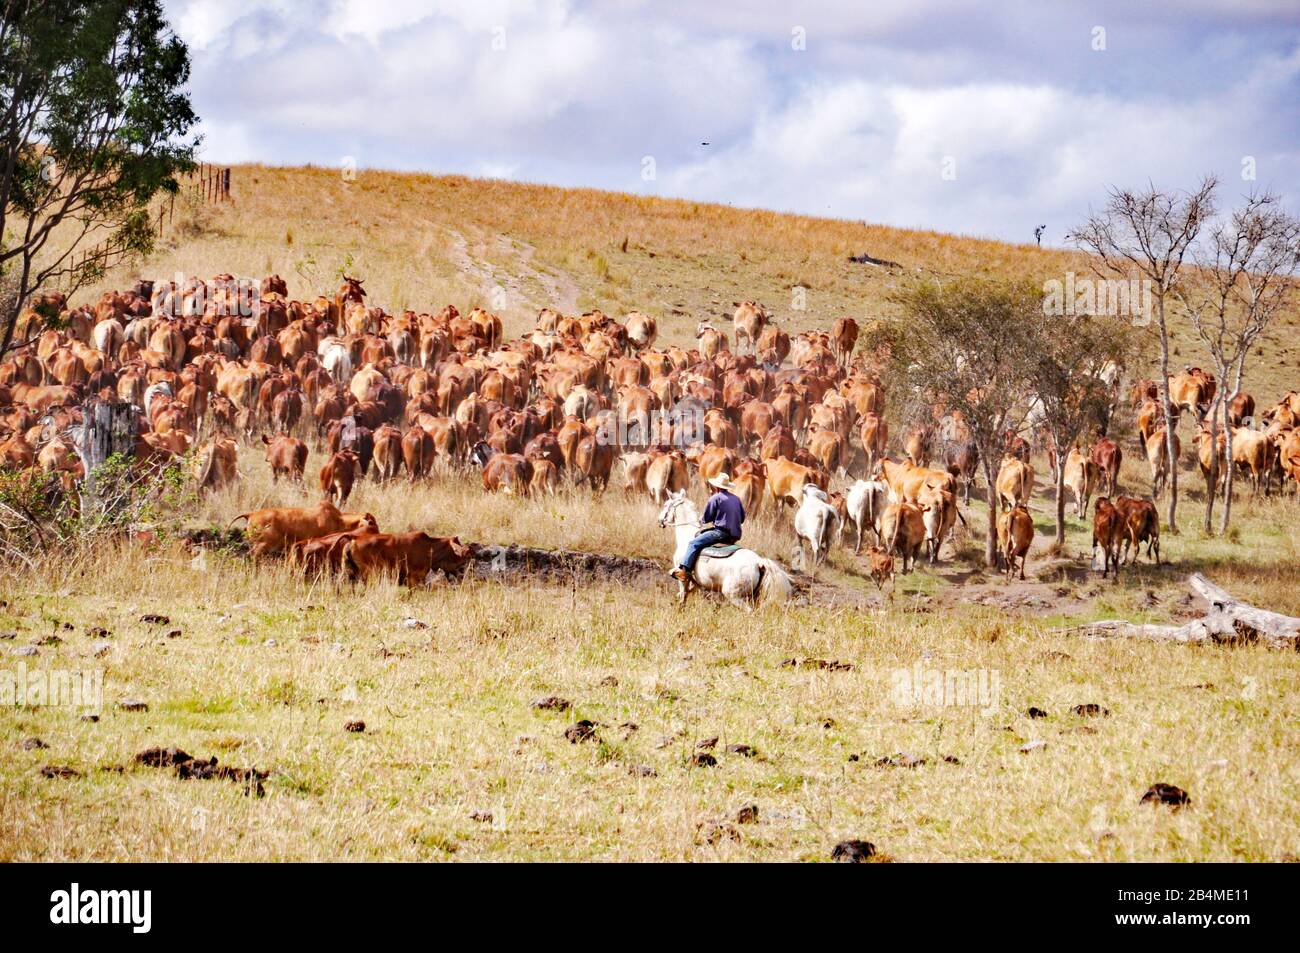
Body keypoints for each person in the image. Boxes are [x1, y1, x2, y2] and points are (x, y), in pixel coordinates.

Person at [671, 473, 745, 581]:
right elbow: (742, 519)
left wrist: (701, 520)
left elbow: (707, 517)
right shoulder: (736, 499)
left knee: (693, 543)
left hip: (721, 533)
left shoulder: (715, 498)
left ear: (717, 487)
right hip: (736, 535)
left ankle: (684, 571)